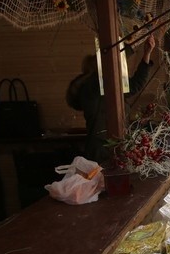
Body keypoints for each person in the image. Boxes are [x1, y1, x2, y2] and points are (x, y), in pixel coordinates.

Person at [66, 34, 156, 163]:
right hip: (100, 150)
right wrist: (129, 47)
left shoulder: (108, 87)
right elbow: (108, 68)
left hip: (118, 143)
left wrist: (146, 54)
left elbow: (135, 85)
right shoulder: (90, 88)